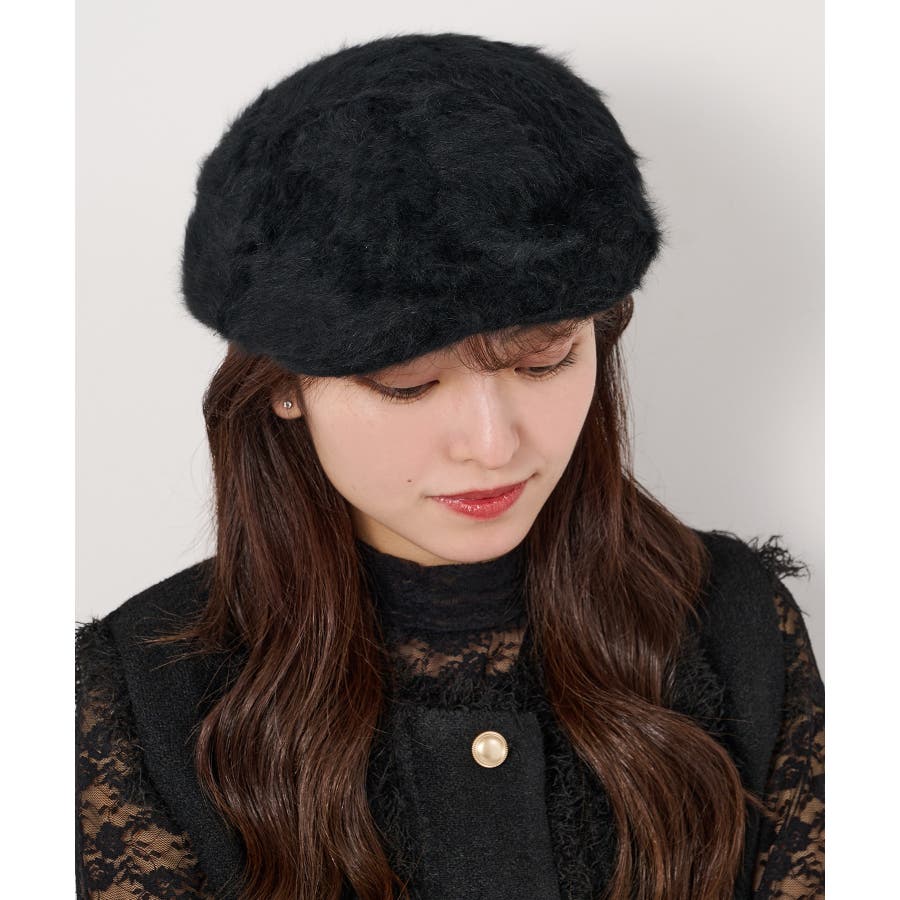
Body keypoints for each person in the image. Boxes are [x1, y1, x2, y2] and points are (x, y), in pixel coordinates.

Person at [75, 31, 824, 900]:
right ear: (283, 386)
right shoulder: (137, 698)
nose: (494, 445)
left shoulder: (735, 626)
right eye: (408, 384)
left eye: (544, 361)